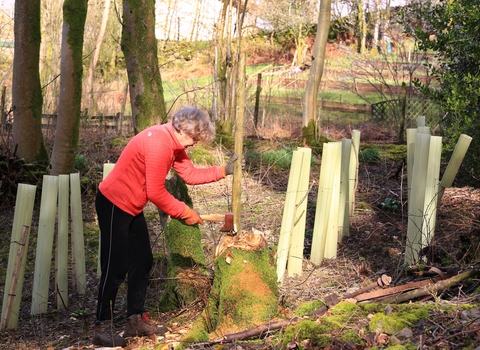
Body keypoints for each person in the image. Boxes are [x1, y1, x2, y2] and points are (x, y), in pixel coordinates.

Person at [93, 106, 238, 347]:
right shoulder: (159, 144)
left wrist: (223, 171)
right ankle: (101, 327)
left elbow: (189, 174)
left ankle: (134, 320)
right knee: (115, 267)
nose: (194, 144)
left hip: (132, 207)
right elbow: (156, 192)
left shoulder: (174, 143)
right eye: (193, 138)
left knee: (142, 261)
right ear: (182, 129)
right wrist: (185, 212)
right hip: (113, 204)